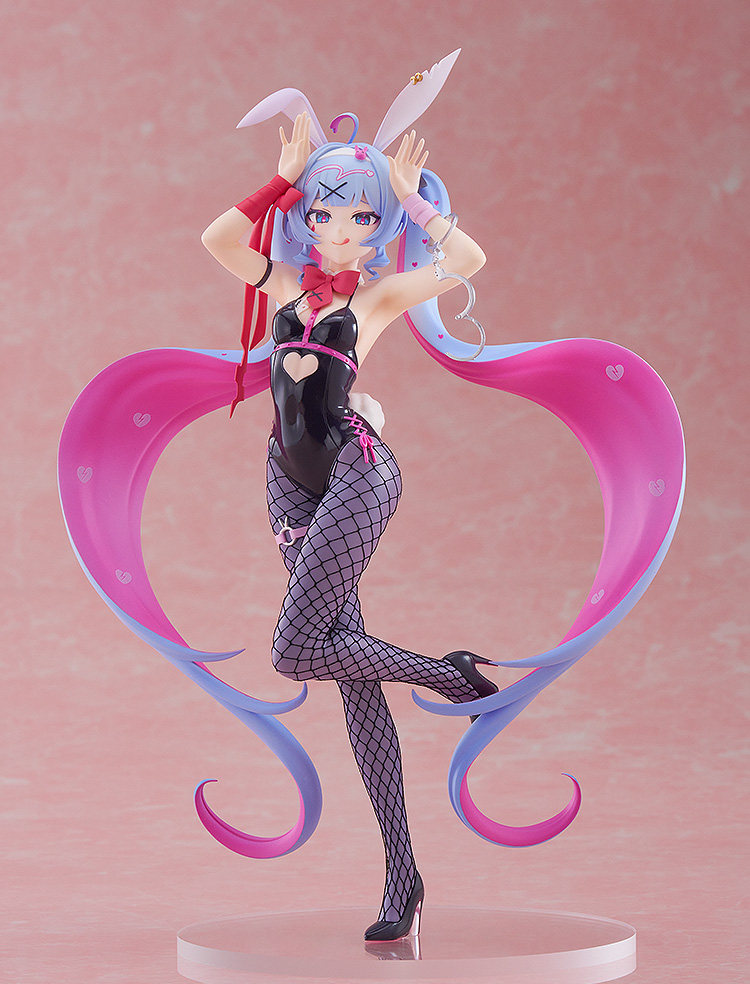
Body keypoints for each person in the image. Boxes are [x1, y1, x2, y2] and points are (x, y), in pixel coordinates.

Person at [201, 112, 498, 941]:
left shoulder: (377, 296)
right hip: (286, 480)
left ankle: (447, 676)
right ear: (305, 214)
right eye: (326, 210)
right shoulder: (281, 283)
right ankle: (403, 875)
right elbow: (217, 240)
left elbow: (469, 261)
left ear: (382, 224)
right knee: (349, 667)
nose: (341, 228)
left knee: (296, 650)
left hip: (356, 472)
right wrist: (280, 178)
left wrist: (415, 198)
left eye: (365, 214)